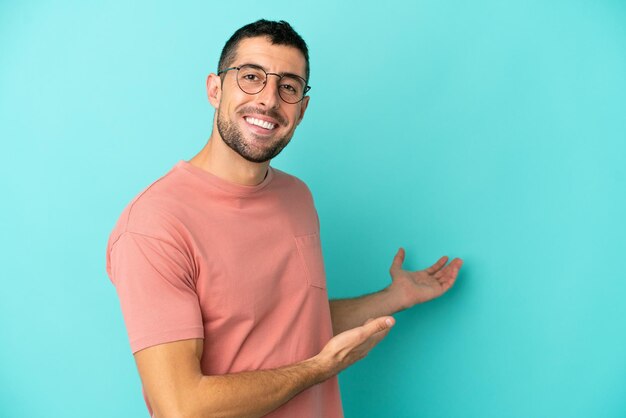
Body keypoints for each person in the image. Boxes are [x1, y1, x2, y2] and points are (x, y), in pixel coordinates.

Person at [106, 19, 463, 418]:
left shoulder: (297, 196)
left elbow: (292, 326)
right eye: (251, 77)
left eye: (288, 86)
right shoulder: (155, 225)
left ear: (302, 108)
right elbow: (182, 407)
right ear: (214, 88)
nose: (269, 100)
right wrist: (321, 369)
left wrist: (394, 297)